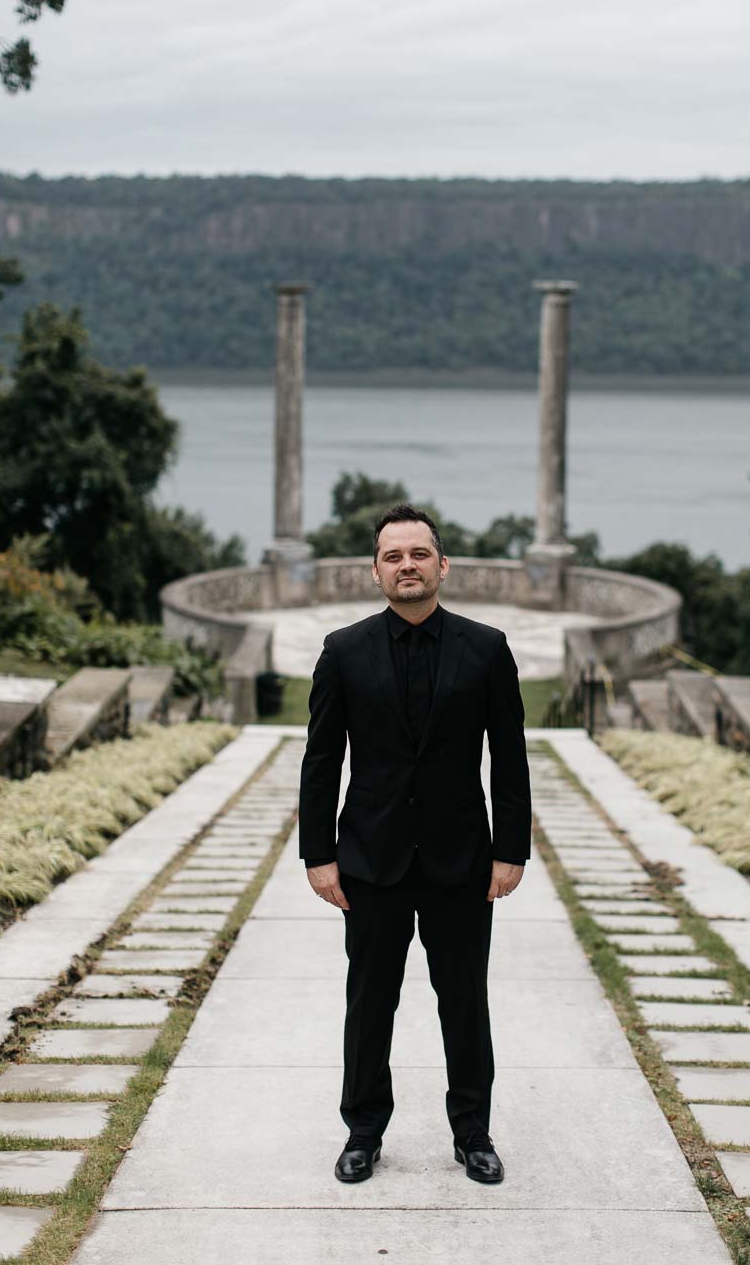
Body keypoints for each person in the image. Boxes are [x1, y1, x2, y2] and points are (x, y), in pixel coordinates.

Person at [299, 503, 531, 1186]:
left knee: (464, 1001)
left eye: (419, 554)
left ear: (442, 564)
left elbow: (510, 756)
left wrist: (509, 849)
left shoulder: (487, 649)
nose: (407, 565)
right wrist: (319, 854)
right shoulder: (342, 652)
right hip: (370, 860)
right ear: (376, 570)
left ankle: (473, 1133)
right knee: (371, 1003)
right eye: (393, 556)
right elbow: (321, 759)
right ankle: (362, 1132)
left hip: (462, 860)